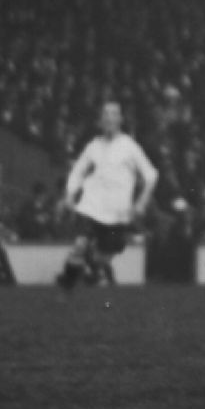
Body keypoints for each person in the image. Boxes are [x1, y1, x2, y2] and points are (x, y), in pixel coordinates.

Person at [55, 100, 157, 292]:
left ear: (120, 119)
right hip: (91, 206)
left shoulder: (129, 146)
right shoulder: (93, 146)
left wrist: (141, 202)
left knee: (102, 257)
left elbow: (151, 175)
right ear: (100, 120)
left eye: (113, 114)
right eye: (105, 114)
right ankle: (65, 289)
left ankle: (89, 270)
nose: (109, 118)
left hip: (118, 213)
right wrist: (69, 195)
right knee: (80, 244)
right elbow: (77, 172)